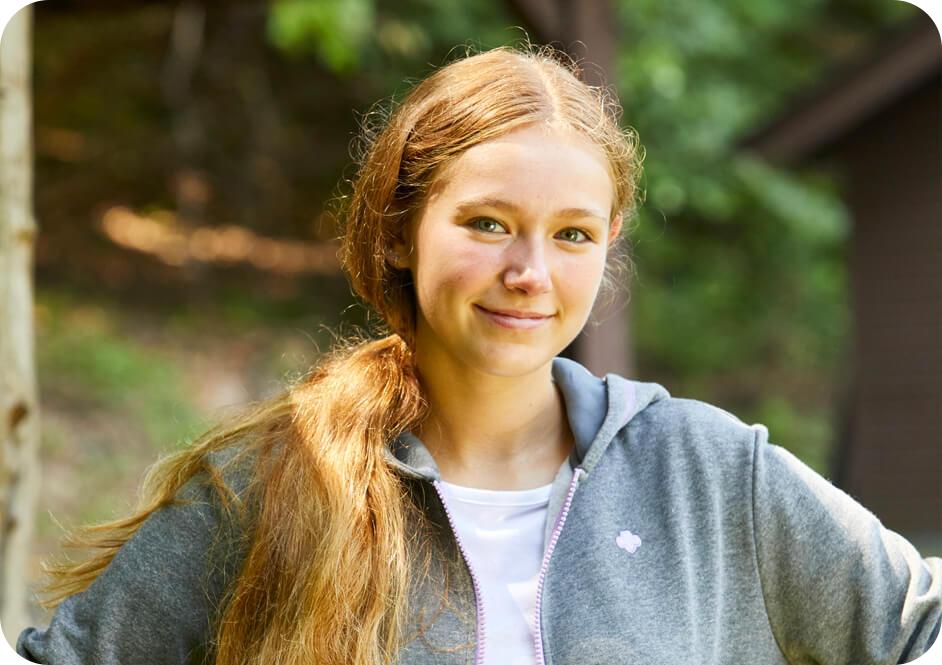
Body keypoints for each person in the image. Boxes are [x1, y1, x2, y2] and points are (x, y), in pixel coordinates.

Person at [14, 45, 941, 665]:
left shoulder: (708, 472)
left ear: (609, 241)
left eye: (573, 234)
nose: (530, 272)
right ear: (402, 229)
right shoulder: (271, 485)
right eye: (487, 223)